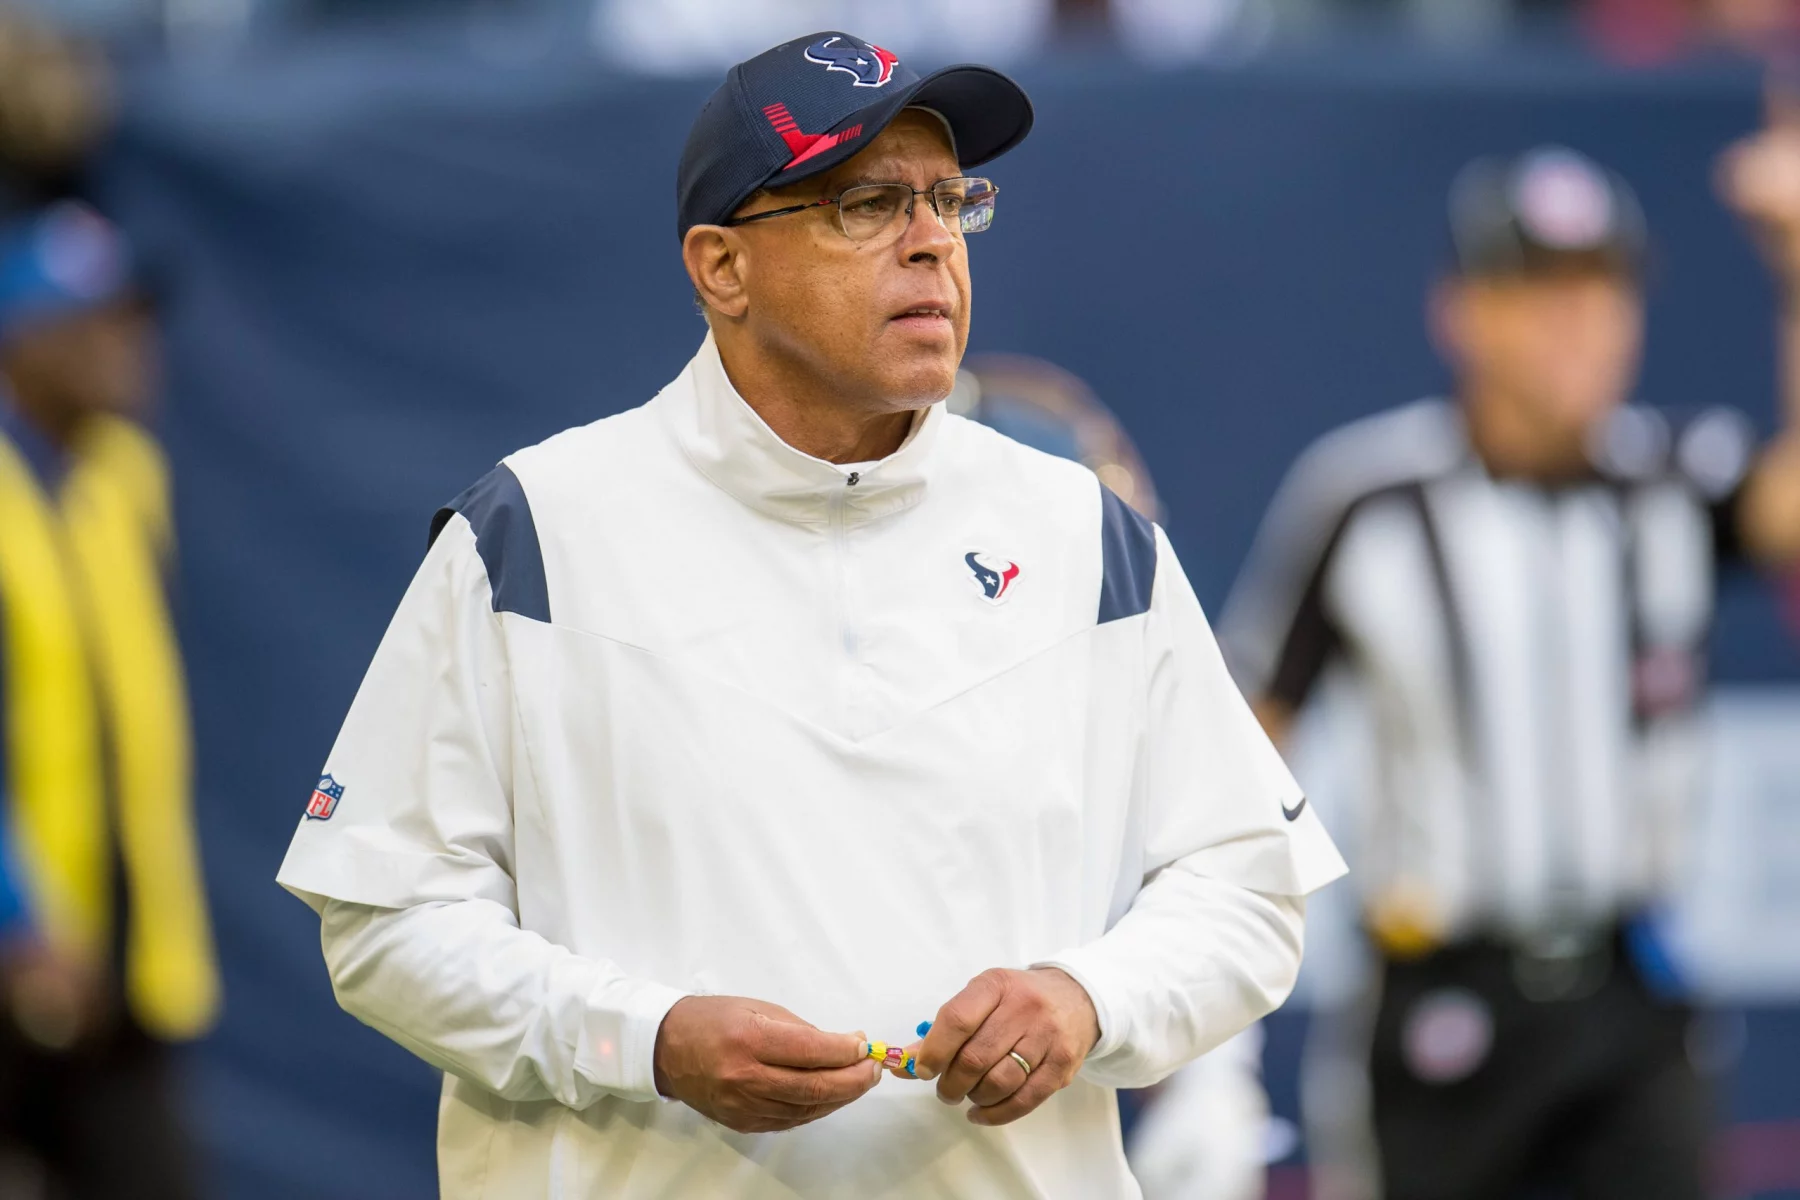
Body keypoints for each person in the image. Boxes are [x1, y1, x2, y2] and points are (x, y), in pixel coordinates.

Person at [277, 29, 1346, 1199]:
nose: (932, 240)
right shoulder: (533, 531)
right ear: (720, 267)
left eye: (951, 199)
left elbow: (1245, 887)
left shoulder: (1086, 534)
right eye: (867, 202)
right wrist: (647, 1040)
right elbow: (388, 925)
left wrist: (1091, 1001)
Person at [1219, 141, 1800, 1200]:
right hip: (1445, 996)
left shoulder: (1675, 480)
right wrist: (1208, 1024)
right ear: (1465, 313)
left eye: (1602, 290)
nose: (1578, 323)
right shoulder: (1368, 500)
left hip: (1634, 993)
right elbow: (1239, 754)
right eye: (1540, 292)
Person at [0, 200, 219, 1200]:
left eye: (134, 317)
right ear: (25, 341)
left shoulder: (123, 480)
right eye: (97, 321)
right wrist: (14, 919)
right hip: (24, 954)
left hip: (118, 964)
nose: (129, 344)